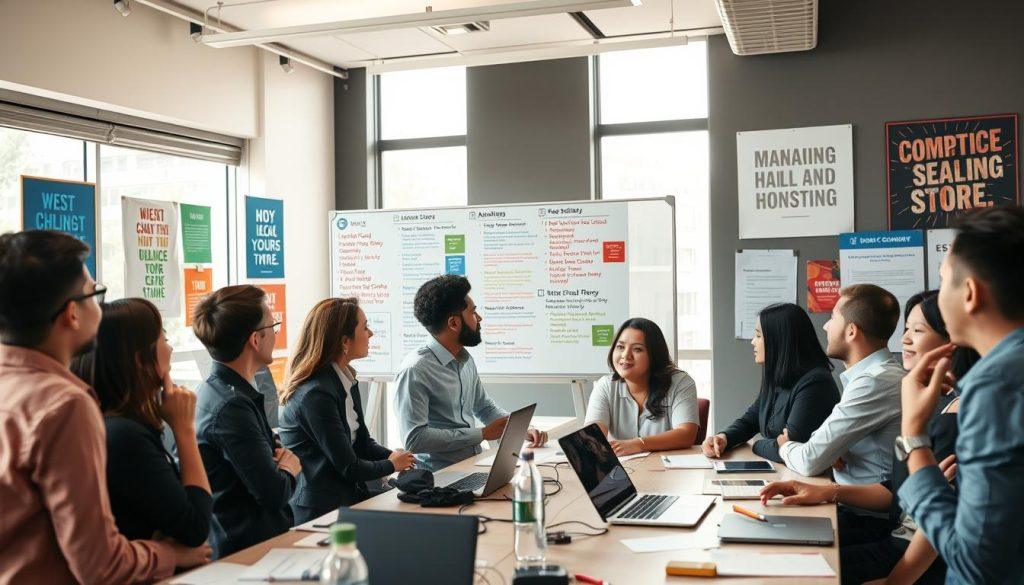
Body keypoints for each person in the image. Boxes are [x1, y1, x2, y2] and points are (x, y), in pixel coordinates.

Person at [0, 230, 208, 583]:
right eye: (95, 294)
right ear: (72, 314)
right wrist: (170, 554)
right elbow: (100, 564)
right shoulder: (65, 406)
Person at [760, 291, 979, 584]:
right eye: (905, 330)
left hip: (913, 556)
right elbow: (898, 490)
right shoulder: (933, 400)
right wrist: (826, 492)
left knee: (789, 571)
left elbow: (935, 523)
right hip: (897, 537)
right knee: (780, 556)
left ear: (952, 341)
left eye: (918, 330)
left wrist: (894, 583)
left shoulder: (953, 417)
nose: (904, 340)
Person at [897, 207, 1024, 584]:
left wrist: (914, 436)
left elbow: (975, 566)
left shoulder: (997, 385)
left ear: (970, 294)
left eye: (944, 280)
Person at [71, 298, 213, 548]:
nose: (170, 350)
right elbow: (196, 527)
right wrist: (184, 429)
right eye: (164, 339)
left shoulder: (116, 424)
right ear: (140, 359)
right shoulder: (125, 436)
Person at [775, 284, 905, 544]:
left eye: (833, 317)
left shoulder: (874, 382)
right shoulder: (872, 377)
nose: (825, 326)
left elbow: (810, 459)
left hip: (868, 522)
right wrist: (831, 451)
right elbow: (819, 448)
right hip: (853, 509)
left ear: (851, 331)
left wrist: (785, 445)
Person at [279, 298, 416, 524]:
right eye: (364, 327)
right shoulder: (316, 394)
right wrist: (392, 464)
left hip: (348, 498)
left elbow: (361, 443)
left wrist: (397, 456)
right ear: (345, 341)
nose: (370, 333)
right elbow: (348, 466)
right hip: (320, 512)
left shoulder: (345, 380)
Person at [394, 275, 546, 472]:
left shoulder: (464, 359)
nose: (479, 318)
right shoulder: (415, 370)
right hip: (439, 478)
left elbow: (483, 407)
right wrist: (481, 434)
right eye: (474, 313)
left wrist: (519, 428)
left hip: (473, 465)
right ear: (454, 323)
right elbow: (415, 439)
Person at [193, 285, 301, 558]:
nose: (276, 334)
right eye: (273, 325)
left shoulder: (221, 392)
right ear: (255, 339)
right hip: (248, 554)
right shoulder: (232, 407)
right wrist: (289, 468)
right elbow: (274, 492)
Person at [701, 303, 839, 463]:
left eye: (759, 336)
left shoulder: (815, 384)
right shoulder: (780, 377)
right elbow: (751, 419)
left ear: (780, 340)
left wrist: (756, 444)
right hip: (783, 474)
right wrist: (723, 437)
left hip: (810, 481)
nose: (753, 342)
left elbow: (792, 447)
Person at [584, 318, 701, 455]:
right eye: (620, 347)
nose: (625, 355)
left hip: (668, 471)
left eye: (637, 349)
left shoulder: (681, 382)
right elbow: (594, 433)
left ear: (654, 355)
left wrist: (638, 444)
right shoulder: (605, 385)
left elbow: (686, 434)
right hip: (625, 469)